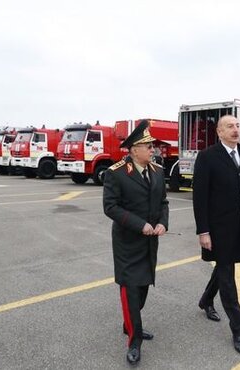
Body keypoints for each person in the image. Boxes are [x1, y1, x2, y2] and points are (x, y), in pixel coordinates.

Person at [192, 114, 240, 356]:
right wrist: (203, 230)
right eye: (229, 126)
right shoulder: (207, 157)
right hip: (218, 229)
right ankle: (239, 330)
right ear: (219, 131)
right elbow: (200, 197)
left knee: (224, 267)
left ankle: (205, 300)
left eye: (237, 125)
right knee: (227, 277)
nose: (235, 130)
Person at [103, 120, 169, 365]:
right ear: (133, 149)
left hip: (150, 242)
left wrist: (163, 223)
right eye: (147, 145)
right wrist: (139, 224)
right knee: (130, 288)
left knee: (142, 287)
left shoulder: (157, 171)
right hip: (127, 242)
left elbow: (163, 203)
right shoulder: (116, 173)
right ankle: (134, 340)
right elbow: (110, 207)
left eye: (152, 145)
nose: (152, 149)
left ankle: (129, 323)